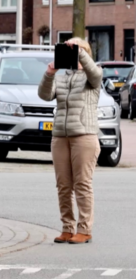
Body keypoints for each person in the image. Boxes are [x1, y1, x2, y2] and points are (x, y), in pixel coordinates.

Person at [39, 38, 102, 245]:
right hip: (60, 136)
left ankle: (84, 230)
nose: (69, 53)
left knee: (82, 184)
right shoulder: (63, 77)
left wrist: (79, 52)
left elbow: (96, 74)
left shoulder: (92, 75)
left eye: (73, 50)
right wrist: (49, 73)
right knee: (63, 185)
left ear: (83, 52)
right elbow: (44, 95)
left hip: (84, 135)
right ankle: (67, 228)